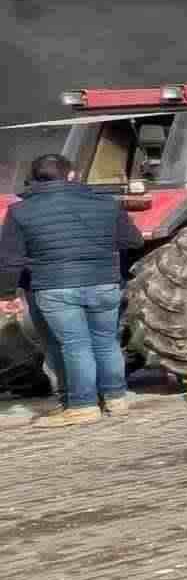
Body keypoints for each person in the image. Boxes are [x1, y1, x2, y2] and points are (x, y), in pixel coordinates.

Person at [0, 154, 144, 426]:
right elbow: (133, 242)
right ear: (71, 175)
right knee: (106, 342)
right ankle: (116, 399)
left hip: (55, 288)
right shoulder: (107, 203)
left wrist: (6, 295)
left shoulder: (20, 211)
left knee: (76, 346)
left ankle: (83, 405)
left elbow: (9, 259)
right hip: (104, 283)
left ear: (34, 179)